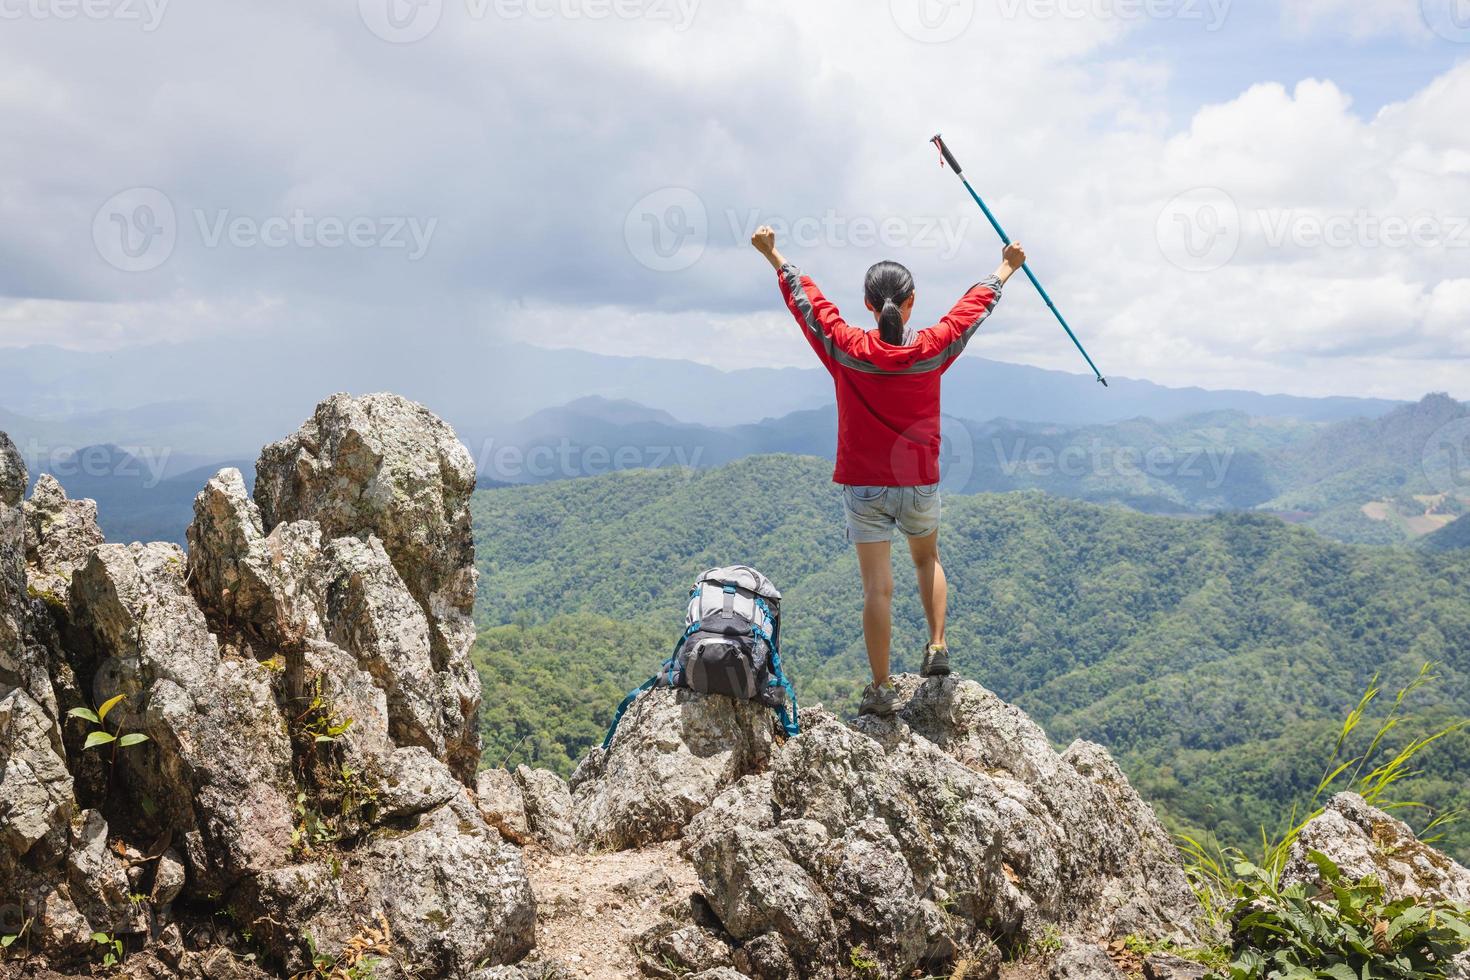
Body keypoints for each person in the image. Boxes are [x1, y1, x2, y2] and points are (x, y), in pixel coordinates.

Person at [751, 225, 1026, 716]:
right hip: (919, 481)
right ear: (912, 301)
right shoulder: (932, 350)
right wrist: (1006, 267)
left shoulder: (846, 349)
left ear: (867, 303)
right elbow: (970, 312)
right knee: (927, 560)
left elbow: (809, 304)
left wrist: (775, 255)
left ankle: (881, 690)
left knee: (877, 588)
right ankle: (937, 646)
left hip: (863, 485)